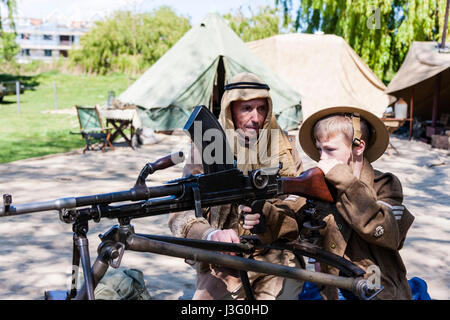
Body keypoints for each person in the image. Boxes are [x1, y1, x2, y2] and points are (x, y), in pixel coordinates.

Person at [243, 106, 415, 300]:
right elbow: (290, 215)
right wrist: (266, 216)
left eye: (330, 150)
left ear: (358, 147)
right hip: (332, 289)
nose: (322, 158)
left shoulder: (385, 185)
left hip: (378, 290)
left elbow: (388, 232)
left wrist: (347, 184)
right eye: (319, 149)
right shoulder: (318, 182)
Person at [168, 72, 305, 300]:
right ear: (230, 110)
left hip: (278, 256)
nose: (256, 117)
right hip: (225, 263)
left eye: (262, 108)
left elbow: (300, 202)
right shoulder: (207, 149)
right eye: (247, 108)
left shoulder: (285, 148)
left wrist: (271, 217)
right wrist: (211, 234)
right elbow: (180, 215)